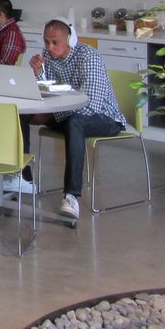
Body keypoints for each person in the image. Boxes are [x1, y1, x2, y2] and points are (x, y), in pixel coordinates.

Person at [25, 18, 126, 219]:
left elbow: (91, 105)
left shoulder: (88, 57)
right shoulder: (48, 56)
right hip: (66, 114)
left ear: (70, 40)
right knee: (22, 112)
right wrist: (37, 74)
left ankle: (71, 196)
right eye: (46, 42)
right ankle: (21, 177)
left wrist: (49, 114)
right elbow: (47, 91)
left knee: (75, 122)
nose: (49, 47)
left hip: (104, 118)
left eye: (55, 42)